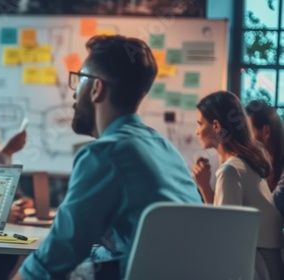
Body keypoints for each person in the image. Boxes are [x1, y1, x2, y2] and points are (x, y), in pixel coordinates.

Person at [13, 35, 202, 280]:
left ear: (96, 88)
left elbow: (56, 256)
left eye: (79, 78)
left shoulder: (105, 153)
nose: (73, 93)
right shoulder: (164, 147)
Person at [192, 91, 283, 280]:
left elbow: (224, 238)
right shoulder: (247, 163)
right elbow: (225, 225)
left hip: (257, 266)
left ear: (216, 126)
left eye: (200, 124)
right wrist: (204, 186)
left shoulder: (230, 170)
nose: (197, 131)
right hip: (269, 263)